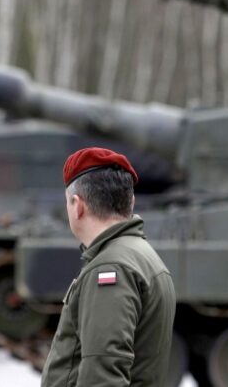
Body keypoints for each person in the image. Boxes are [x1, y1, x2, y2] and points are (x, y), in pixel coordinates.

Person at [41, 147, 177, 387]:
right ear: (131, 202)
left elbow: (103, 376)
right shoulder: (141, 255)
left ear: (77, 205)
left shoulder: (110, 267)